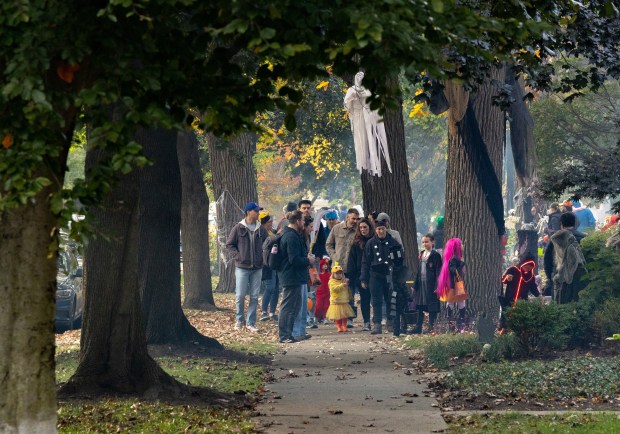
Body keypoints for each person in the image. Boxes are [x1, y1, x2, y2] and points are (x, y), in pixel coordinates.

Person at [226, 201, 269, 332]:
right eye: (256, 211)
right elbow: (229, 244)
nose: (258, 213)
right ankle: (239, 320)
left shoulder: (261, 229)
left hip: (257, 268)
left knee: (255, 296)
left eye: (258, 211)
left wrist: (263, 257)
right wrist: (238, 256)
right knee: (240, 295)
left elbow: (267, 243)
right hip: (242, 267)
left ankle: (251, 322)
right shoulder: (238, 228)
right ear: (248, 212)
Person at [360, 218, 405, 335]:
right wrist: (363, 278)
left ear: (386, 229)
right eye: (379, 229)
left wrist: (398, 275)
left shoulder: (393, 242)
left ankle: (390, 323)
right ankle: (377, 324)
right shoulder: (370, 243)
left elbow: (399, 261)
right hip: (375, 275)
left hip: (389, 275)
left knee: (390, 299)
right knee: (376, 300)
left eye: (383, 229)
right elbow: (365, 261)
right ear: (375, 230)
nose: (381, 231)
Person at [277, 210, 314, 343]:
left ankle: (289, 334)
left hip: (295, 276)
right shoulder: (291, 236)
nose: (304, 223)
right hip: (290, 276)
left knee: (294, 306)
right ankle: (284, 335)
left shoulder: (292, 234)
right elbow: (293, 259)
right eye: (303, 220)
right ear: (297, 221)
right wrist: (307, 261)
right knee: (288, 306)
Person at [326, 208, 360, 327]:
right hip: (337, 267)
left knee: (349, 292)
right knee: (336, 291)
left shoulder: (358, 231)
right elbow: (328, 244)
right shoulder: (337, 228)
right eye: (353, 218)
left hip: (352, 267)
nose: (355, 221)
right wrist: (334, 256)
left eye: (357, 219)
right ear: (347, 218)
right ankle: (338, 317)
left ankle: (349, 318)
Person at [544, 212, 588, 304]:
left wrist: (551, 276)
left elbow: (547, 260)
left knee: (559, 305)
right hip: (579, 279)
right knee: (578, 305)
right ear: (575, 223)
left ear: (561, 224)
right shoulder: (584, 238)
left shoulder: (555, 239)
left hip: (558, 278)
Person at [410, 234, 442, 334]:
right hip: (421, 284)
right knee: (420, 305)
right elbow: (418, 271)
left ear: (432, 242)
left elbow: (438, 271)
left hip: (431, 285)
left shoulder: (435, 255)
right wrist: (415, 285)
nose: (425, 244)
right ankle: (418, 326)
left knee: (431, 305)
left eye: (427, 242)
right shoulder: (422, 253)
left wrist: (437, 285)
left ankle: (431, 326)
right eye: (423, 242)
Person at [347, 217, 375, 331]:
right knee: (364, 299)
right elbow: (351, 261)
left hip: (374, 273)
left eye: (365, 227)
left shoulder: (374, 240)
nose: (363, 229)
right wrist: (350, 276)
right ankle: (367, 322)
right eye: (361, 227)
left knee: (377, 299)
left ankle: (378, 320)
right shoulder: (356, 243)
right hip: (360, 274)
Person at [292, 215, 315, 340]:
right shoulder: (298, 238)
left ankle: (301, 330)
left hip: (304, 273)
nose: (311, 229)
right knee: (299, 304)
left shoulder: (306, 238)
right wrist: (308, 259)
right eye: (310, 227)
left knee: (304, 304)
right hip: (297, 274)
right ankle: (296, 332)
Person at [437, 238, 467, 332]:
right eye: (461, 244)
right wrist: (462, 264)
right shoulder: (453, 259)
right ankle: (454, 323)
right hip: (455, 285)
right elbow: (453, 270)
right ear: (457, 247)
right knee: (455, 302)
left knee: (456, 303)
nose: (462, 245)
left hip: (456, 284)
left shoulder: (455, 258)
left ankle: (454, 323)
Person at [259, 211, 280, 322]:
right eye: (269, 222)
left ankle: (272, 311)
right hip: (266, 264)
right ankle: (264, 311)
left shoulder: (274, 232)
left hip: (276, 263)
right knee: (270, 287)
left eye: (272, 221)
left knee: (276, 288)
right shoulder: (261, 233)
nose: (271, 223)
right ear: (263, 223)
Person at [325, 263, 355, 332]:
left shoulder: (344, 281)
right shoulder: (331, 282)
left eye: (340, 273)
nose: (339, 275)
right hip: (336, 302)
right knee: (337, 316)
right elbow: (334, 289)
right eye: (337, 273)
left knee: (344, 315)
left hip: (344, 301)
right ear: (333, 274)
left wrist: (350, 297)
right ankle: (339, 326)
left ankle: (344, 325)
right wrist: (342, 285)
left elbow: (348, 290)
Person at [314, 258, 331, 323]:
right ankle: (316, 317)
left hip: (327, 292)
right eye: (324, 265)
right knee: (319, 305)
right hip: (319, 292)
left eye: (326, 265)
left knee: (326, 305)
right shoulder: (318, 275)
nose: (325, 266)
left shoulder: (329, 274)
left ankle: (325, 317)